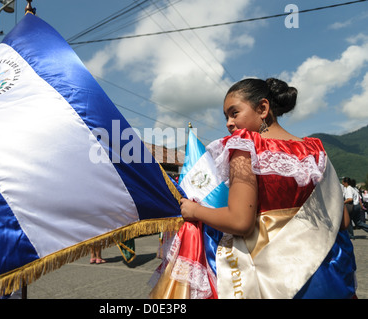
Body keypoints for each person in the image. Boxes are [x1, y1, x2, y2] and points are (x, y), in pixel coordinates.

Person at [150, 78, 356, 299]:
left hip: (272, 277)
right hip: (325, 274)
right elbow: (342, 221)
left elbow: (240, 222)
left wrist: (194, 211)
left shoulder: (247, 148)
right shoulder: (316, 151)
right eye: (226, 117)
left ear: (263, 108)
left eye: (234, 113)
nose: (229, 123)